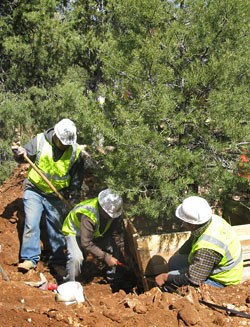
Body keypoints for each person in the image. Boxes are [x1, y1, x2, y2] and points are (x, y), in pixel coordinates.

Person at [12, 118, 84, 275]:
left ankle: (57, 261)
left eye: (67, 143)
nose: (64, 145)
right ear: (56, 136)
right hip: (35, 189)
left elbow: (77, 180)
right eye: (62, 142)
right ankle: (30, 258)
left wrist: (73, 199)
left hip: (56, 195)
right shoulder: (40, 141)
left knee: (57, 228)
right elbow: (23, 155)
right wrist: (19, 153)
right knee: (31, 222)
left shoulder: (75, 152)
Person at [155, 196, 243, 289]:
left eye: (184, 222)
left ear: (192, 224)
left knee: (169, 283)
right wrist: (178, 254)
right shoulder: (208, 221)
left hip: (221, 280)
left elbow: (193, 280)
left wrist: (165, 278)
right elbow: (190, 242)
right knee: (174, 261)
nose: (182, 224)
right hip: (216, 267)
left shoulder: (207, 248)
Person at [62, 188, 126, 287]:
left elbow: (112, 233)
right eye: (109, 215)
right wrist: (105, 257)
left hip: (95, 232)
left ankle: (113, 280)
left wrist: (111, 250)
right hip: (75, 232)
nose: (111, 217)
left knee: (114, 249)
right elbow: (86, 243)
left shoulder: (112, 212)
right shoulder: (89, 215)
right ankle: (70, 285)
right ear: (101, 208)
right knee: (76, 258)